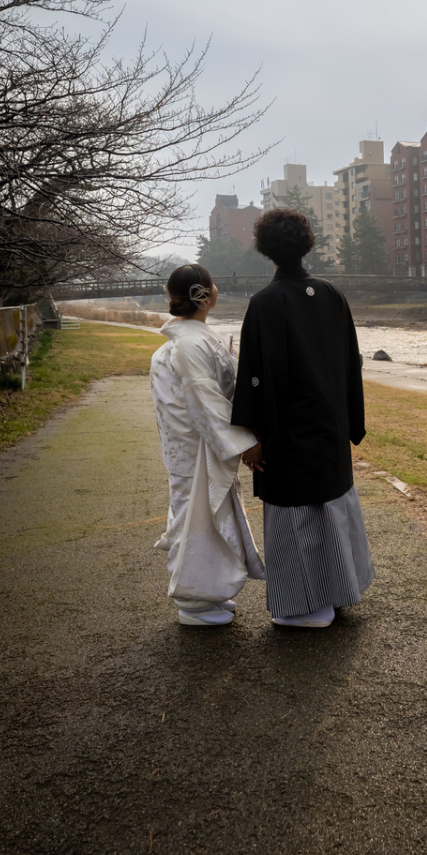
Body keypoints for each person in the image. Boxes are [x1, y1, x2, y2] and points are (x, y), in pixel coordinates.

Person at [231, 208, 374, 628]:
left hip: (287, 430)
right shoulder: (331, 293)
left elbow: (253, 376)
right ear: (306, 244)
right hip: (329, 425)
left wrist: (252, 437)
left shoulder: (264, 303)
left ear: (265, 250)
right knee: (331, 504)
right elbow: (352, 362)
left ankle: (307, 607)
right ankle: (341, 591)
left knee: (297, 514)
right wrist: (350, 420)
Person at [150, 264, 265, 627]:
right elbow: (206, 401)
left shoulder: (190, 339)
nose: (217, 288)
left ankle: (211, 593)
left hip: (193, 445)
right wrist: (244, 444)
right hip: (196, 447)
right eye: (213, 284)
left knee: (208, 517)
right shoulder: (190, 343)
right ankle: (193, 600)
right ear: (205, 295)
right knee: (195, 519)